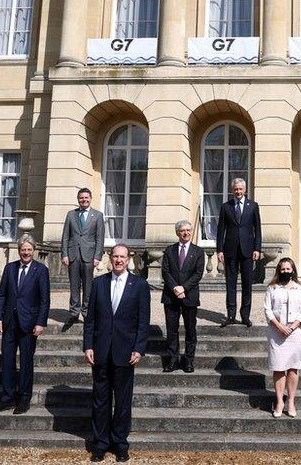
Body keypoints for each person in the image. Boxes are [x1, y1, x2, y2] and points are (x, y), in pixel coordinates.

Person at [84, 244, 151, 462]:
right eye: (115, 256)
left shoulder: (139, 285)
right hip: (101, 351)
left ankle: (120, 443)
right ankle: (100, 444)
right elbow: (91, 319)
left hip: (125, 352)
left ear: (128, 259)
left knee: (122, 402)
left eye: (122, 257)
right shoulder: (98, 283)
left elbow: (143, 321)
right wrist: (88, 345)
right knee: (100, 401)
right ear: (110, 258)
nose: (119, 260)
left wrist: (139, 348)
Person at [0, 235, 50, 415]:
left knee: (26, 361)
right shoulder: (10, 268)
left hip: (29, 323)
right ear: (19, 251)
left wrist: (41, 322)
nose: (26, 252)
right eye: (23, 249)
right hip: (9, 322)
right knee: (7, 360)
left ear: (34, 251)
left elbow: (44, 299)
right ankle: (7, 398)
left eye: (29, 249)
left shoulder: (40, 270)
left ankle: (24, 399)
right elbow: (1, 295)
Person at [264, 258, 301, 418]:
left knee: (292, 367)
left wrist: (291, 327)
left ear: (293, 270)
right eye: (283, 269)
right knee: (278, 367)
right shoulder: (272, 288)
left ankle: (290, 401)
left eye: (288, 269)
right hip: (276, 332)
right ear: (279, 271)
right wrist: (279, 326)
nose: (285, 272)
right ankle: (279, 401)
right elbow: (267, 310)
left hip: (295, 333)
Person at [215, 178, 262, 327]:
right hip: (230, 250)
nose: (238, 192)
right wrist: (219, 250)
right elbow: (220, 230)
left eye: (241, 189)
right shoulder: (225, 207)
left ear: (245, 190)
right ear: (232, 190)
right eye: (236, 189)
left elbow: (258, 229)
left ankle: (245, 316)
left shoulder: (253, 206)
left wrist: (257, 248)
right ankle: (230, 315)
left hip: (248, 250)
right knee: (231, 284)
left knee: (247, 284)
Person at [161, 220, 205, 373]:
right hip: (170, 296)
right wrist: (175, 287)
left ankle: (188, 361)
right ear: (177, 233)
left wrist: (183, 288)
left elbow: (198, 274)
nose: (186, 233)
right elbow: (165, 272)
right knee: (172, 330)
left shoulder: (198, 251)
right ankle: (173, 360)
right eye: (182, 230)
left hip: (189, 295)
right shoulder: (169, 250)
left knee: (190, 330)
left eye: (188, 230)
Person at [61, 187, 105, 321]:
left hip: (89, 256)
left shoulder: (97, 215)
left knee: (88, 285)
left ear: (90, 199)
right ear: (78, 199)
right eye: (81, 198)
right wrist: (64, 254)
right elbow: (65, 236)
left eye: (86, 197)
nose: (84, 200)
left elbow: (100, 238)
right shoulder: (71, 214)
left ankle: (86, 313)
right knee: (74, 284)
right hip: (73, 255)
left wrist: (97, 256)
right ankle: (74, 312)